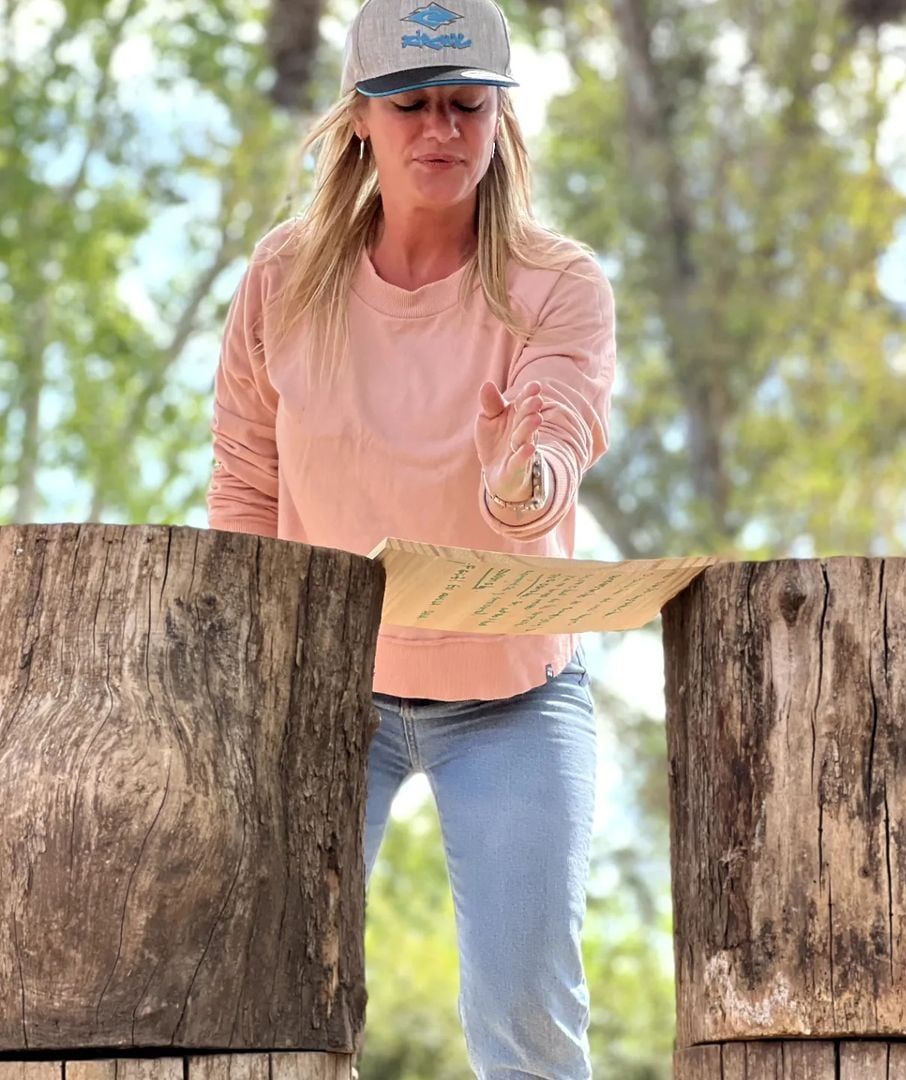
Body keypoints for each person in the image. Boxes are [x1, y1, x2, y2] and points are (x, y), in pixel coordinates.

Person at [206, 0, 616, 1075]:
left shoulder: (556, 282)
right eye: (414, 106)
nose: (442, 131)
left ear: (500, 119)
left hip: (516, 700)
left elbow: (561, 423)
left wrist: (527, 481)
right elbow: (249, 478)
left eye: (467, 106)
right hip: (330, 693)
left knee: (526, 1017)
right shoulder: (282, 282)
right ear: (361, 122)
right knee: (268, 988)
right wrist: (256, 666)